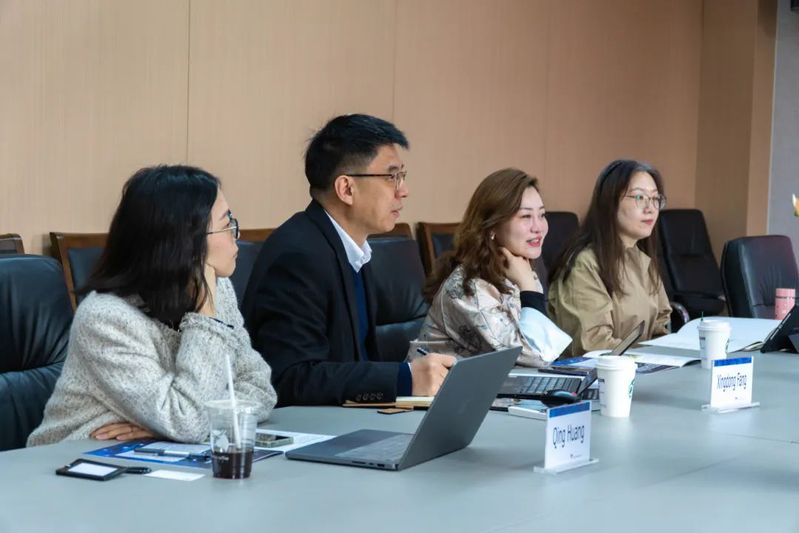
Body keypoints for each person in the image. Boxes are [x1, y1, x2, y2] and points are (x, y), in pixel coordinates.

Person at [27, 165, 277, 446]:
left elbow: (260, 389)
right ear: (186, 242)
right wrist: (207, 319)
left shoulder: (218, 290)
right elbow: (188, 422)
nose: (236, 234)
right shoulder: (105, 319)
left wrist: (168, 426)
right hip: (75, 457)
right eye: (226, 223)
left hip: (158, 455)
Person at [243, 114, 455, 406]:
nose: (403, 190)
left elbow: (356, 361)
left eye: (402, 176)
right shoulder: (299, 255)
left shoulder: (351, 247)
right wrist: (403, 379)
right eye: (391, 177)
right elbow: (291, 377)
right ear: (346, 189)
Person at [409, 168, 571, 366]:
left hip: (498, 384)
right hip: (437, 386)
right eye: (526, 216)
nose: (539, 227)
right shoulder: (468, 288)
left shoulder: (518, 269)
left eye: (542, 215)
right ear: (492, 225)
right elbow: (535, 358)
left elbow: (546, 353)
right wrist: (529, 288)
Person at [547, 159, 672, 356]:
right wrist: (649, 356)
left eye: (655, 198)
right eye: (639, 197)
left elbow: (659, 326)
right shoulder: (584, 263)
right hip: (601, 372)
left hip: (639, 367)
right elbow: (593, 344)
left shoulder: (641, 259)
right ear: (610, 202)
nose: (650, 208)